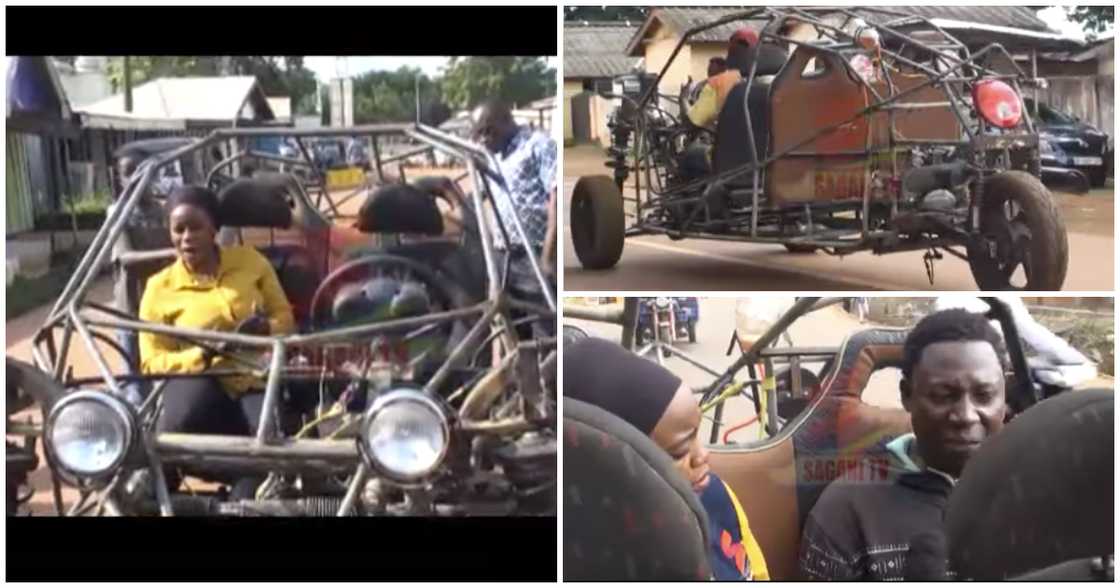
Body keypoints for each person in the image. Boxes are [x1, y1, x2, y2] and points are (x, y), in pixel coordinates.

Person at [798, 309, 1009, 580]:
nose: (966, 416)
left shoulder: (1038, 492)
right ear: (907, 395)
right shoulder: (845, 511)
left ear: (1005, 396)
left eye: (984, 395)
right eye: (943, 395)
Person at [566, 338, 770, 581]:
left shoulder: (717, 495)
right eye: (680, 451)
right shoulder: (601, 557)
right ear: (617, 466)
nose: (703, 455)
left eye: (697, 433)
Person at [138, 185, 295, 497]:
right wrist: (204, 355)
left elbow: (285, 319)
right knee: (179, 421)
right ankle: (165, 489)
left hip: (253, 377)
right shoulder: (159, 287)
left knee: (272, 442)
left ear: (214, 229)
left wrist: (265, 328)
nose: (187, 237)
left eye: (196, 227)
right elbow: (151, 362)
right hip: (200, 383)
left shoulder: (251, 261)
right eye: (179, 229)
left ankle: (248, 490)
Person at [471, 100, 557, 341]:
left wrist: (548, 258)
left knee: (543, 327)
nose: (484, 139)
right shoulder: (491, 156)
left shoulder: (538, 145)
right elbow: (478, 195)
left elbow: (556, 201)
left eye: (488, 131)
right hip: (502, 256)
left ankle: (547, 364)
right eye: (479, 134)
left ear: (507, 120)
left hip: (533, 254)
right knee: (504, 327)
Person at [686, 28, 759, 130]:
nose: (710, 70)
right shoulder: (778, 80)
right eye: (709, 67)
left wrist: (682, 98)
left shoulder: (718, 83)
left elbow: (694, 122)